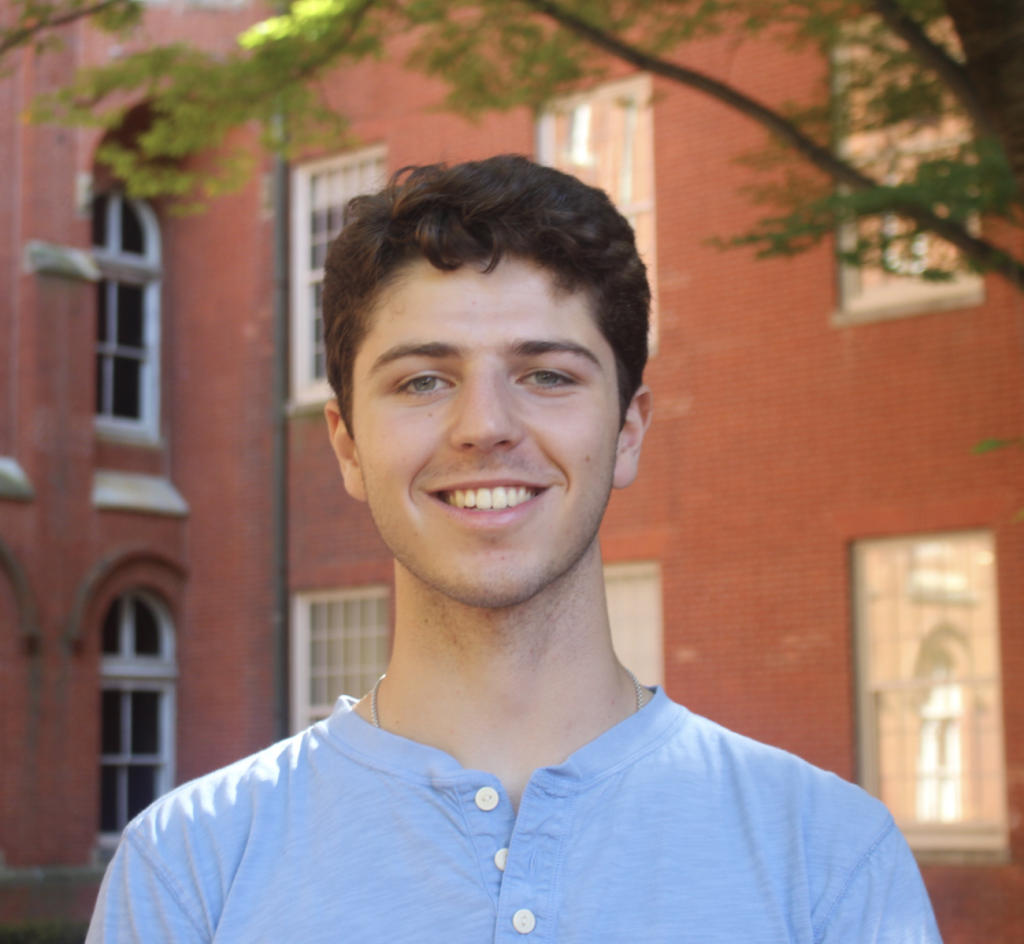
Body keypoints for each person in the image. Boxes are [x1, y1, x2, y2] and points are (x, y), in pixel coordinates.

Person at [86, 155, 942, 943]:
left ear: (629, 430)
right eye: (424, 380)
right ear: (346, 443)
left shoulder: (828, 859)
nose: (486, 426)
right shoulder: (191, 869)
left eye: (547, 375)